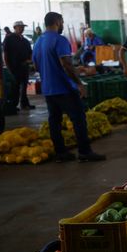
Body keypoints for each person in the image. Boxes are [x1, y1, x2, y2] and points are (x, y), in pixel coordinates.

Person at [33, 12, 105, 163]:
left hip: (48, 89)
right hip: (64, 88)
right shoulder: (59, 40)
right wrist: (79, 84)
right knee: (78, 119)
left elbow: (36, 65)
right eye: (62, 22)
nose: (63, 25)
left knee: (55, 121)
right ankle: (85, 152)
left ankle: (61, 153)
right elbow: (66, 64)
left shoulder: (38, 41)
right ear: (57, 22)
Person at [3, 20, 35, 110]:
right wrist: (8, 67)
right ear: (15, 28)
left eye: (23, 27)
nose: (22, 29)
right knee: (15, 87)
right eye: (20, 27)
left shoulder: (25, 41)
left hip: (24, 66)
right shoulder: (9, 39)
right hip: (14, 67)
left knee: (24, 86)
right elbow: (5, 53)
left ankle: (24, 104)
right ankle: (13, 105)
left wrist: (30, 60)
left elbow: (30, 53)